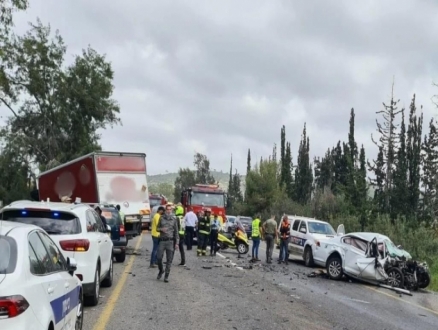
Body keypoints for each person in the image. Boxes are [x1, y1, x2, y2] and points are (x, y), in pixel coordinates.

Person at [156, 204, 179, 282]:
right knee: (159, 257)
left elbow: (176, 232)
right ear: (165, 210)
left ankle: (166, 276)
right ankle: (161, 270)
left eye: (170, 209)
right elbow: (157, 228)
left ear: (171, 210)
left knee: (169, 260)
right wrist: (161, 229)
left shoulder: (174, 219)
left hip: (170, 241)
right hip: (162, 241)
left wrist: (177, 243)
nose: (169, 211)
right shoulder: (161, 218)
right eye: (168, 209)